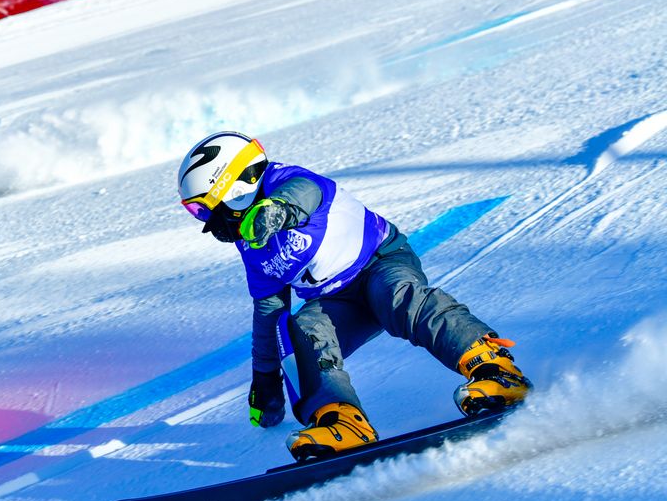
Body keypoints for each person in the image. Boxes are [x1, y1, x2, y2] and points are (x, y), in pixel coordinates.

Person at [176, 131, 532, 461]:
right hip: (337, 302)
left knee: (398, 297)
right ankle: (341, 421)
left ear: (234, 186)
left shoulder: (287, 181)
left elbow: (305, 192)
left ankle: (494, 369)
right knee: (301, 331)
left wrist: (279, 210)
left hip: (380, 262)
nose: (209, 224)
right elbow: (269, 311)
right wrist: (266, 379)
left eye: (205, 209)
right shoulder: (252, 245)